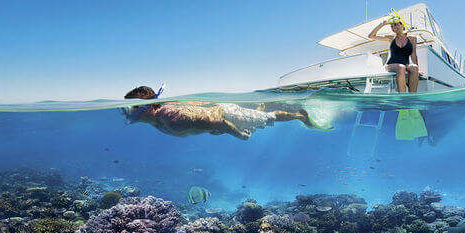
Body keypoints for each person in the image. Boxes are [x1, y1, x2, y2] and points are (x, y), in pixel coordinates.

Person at [121, 86, 330, 140]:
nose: (124, 112)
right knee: (253, 119)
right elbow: (209, 124)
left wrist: (239, 135)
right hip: (215, 123)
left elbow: (218, 120)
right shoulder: (155, 120)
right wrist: (210, 129)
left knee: (266, 119)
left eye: (129, 107)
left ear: (145, 107)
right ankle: (257, 109)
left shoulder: (171, 117)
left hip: (226, 115)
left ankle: (301, 116)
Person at [368, 17, 421, 92]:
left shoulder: (412, 39)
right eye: (392, 26)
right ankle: (402, 98)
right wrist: (382, 24)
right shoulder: (391, 38)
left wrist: (417, 69)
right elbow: (371, 36)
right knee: (401, 67)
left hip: (405, 64)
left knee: (414, 67)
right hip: (391, 65)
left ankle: (412, 97)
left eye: (395, 25)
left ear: (402, 25)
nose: (393, 28)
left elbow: (413, 54)